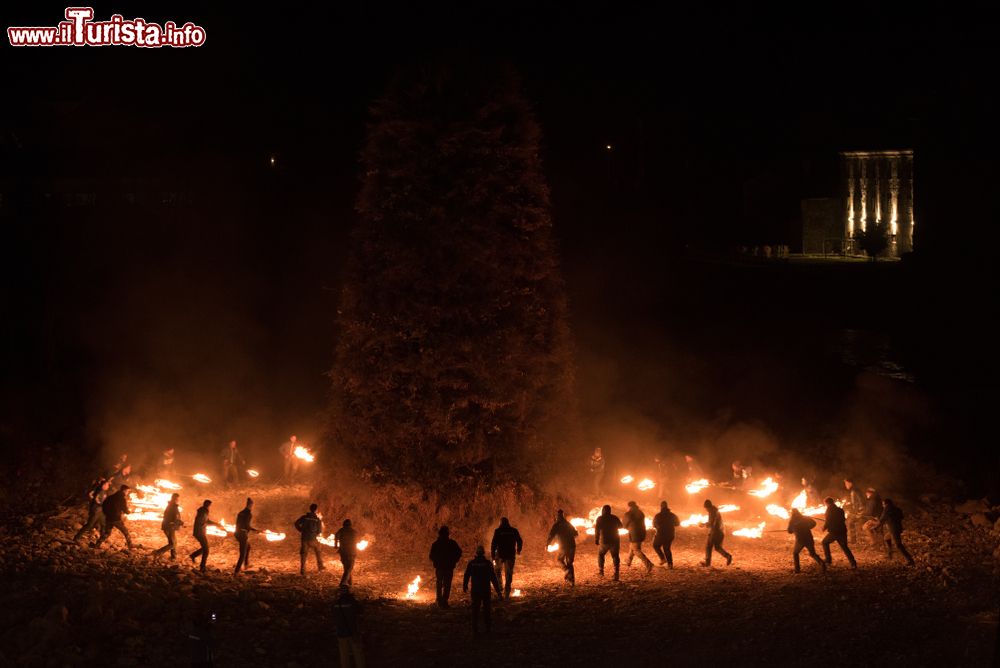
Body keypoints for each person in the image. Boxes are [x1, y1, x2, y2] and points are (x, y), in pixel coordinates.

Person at [463, 545, 502, 635]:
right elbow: (493, 578)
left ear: (476, 553)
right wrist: (498, 591)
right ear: (483, 553)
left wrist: (465, 585)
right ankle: (488, 629)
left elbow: (466, 575)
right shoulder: (488, 563)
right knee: (487, 610)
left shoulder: (472, 563)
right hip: (485, 590)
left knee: (475, 610)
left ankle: (475, 630)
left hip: (475, 590)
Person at [429, 526, 463, 607]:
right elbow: (459, 552)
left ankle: (439, 600)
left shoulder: (436, 544)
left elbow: (431, 556)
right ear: (448, 534)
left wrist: (436, 562)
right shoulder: (452, 543)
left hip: (440, 568)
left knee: (439, 584)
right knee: (447, 584)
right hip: (448, 568)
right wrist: (454, 561)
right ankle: (444, 601)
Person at [490, 517, 523, 599]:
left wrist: (493, 556)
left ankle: (500, 588)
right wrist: (518, 550)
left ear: (500, 523)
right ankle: (507, 592)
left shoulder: (498, 531)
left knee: (497, 571)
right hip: (510, 555)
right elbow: (520, 540)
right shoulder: (513, 530)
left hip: (500, 555)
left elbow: (493, 544)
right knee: (508, 574)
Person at [333, 585, 366, 667]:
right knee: (358, 654)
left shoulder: (336, 604)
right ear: (348, 591)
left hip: (341, 633)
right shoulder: (351, 602)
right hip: (353, 632)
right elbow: (360, 610)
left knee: (344, 655)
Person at [821, 497, 857, 569]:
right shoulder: (840, 510)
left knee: (824, 542)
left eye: (825, 503)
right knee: (845, 547)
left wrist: (824, 528)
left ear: (827, 503)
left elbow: (828, 521)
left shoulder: (829, 510)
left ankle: (828, 559)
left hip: (834, 532)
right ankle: (853, 563)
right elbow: (843, 519)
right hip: (842, 531)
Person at [94, 484, 133, 550]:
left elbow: (104, 505)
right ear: (124, 490)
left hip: (109, 518)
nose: (127, 493)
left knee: (107, 533)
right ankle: (130, 546)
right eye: (127, 491)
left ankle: (97, 545)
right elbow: (125, 509)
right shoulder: (122, 498)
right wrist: (129, 511)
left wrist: (106, 514)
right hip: (116, 519)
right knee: (125, 532)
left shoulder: (111, 497)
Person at [787, 508, 826, 573]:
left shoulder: (792, 521)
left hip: (800, 540)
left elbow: (789, 531)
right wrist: (808, 527)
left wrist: (793, 530)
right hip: (809, 538)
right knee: (812, 553)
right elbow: (813, 523)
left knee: (795, 553)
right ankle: (822, 563)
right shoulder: (804, 518)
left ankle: (797, 569)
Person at [877, 499, 915, 565]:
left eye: (883, 504)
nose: (882, 506)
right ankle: (890, 555)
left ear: (886, 504)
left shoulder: (887, 509)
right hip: (898, 527)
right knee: (886, 538)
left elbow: (881, 520)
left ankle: (909, 560)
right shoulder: (897, 509)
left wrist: (875, 527)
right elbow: (901, 517)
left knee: (898, 545)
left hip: (893, 529)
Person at [74, 475, 110, 543]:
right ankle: (77, 537)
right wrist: (101, 504)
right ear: (104, 485)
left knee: (103, 524)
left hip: (101, 510)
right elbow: (96, 499)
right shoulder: (99, 491)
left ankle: (101, 540)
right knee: (89, 525)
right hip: (96, 510)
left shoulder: (104, 491)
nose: (108, 486)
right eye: (107, 485)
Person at [546, 510, 578, 585]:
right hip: (572, 546)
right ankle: (571, 581)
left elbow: (551, 535)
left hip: (563, 546)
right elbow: (576, 534)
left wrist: (547, 544)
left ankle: (566, 570)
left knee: (559, 560)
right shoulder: (568, 524)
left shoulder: (556, 525)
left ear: (557, 517)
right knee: (570, 563)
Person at [189, 500, 221, 572]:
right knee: (206, 550)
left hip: (200, 532)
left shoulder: (204, 511)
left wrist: (216, 524)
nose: (210, 507)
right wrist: (213, 525)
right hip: (199, 532)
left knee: (205, 548)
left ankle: (193, 555)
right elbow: (203, 522)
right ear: (208, 505)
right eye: (210, 506)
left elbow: (207, 521)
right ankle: (202, 567)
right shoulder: (203, 512)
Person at [623, 501, 654, 573]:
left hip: (634, 534)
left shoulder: (629, 514)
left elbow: (624, 525)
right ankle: (628, 560)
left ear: (629, 506)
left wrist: (627, 527)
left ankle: (649, 564)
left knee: (636, 550)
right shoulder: (640, 512)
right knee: (632, 547)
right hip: (641, 532)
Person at [594, 504, 623, 580]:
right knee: (615, 556)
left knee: (601, 554)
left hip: (604, 540)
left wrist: (596, 539)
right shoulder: (614, 517)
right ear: (610, 510)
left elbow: (597, 530)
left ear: (603, 510)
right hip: (615, 540)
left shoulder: (600, 519)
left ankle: (601, 571)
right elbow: (621, 526)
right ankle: (616, 573)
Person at [294, 503, 325, 574]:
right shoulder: (317, 520)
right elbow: (319, 531)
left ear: (310, 509)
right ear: (316, 510)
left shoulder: (304, 517)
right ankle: (320, 567)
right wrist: (315, 534)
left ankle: (302, 570)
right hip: (313, 538)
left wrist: (300, 530)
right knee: (318, 551)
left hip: (304, 538)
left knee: (303, 554)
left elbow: (296, 523)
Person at [700, 499, 732, 567]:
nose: (706, 510)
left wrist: (703, 524)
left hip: (715, 532)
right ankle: (728, 556)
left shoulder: (712, 512)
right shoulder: (715, 511)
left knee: (708, 547)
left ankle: (707, 563)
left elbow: (711, 523)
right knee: (717, 547)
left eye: (706, 508)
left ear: (708, 507)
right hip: (720, 531)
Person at [233, 497, 260, 575]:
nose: (252, 506)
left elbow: (239, 524)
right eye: (252, 505)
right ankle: (237, 571)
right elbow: (247, 526)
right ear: (250, 505)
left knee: (248, 547)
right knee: (243, 553)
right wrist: (255, 530)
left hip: (237, 533)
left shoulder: (241, 512)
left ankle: (246, 564)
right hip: (242, 535)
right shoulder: (248, 514)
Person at [153, 493, 184, 560]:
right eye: (178, 499)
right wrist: (181, 523)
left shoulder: (170, 506)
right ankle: (158, 552)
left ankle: (173, 557)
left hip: (168, 526)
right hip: (169, 527)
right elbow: (175, 519)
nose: (179, 500)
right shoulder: (173, 507)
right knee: (172, 544)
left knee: (173, 542)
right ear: (175, 499)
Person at [652, 500, 680, 568]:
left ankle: (662, 558)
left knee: (655, 545)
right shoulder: (672, 515)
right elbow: (677, 523)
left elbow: (654, 524)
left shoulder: (658, 515)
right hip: (670, 534)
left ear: (661, 507)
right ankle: (670, 564)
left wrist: (657, 527)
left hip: (660, 534)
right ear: (667, 506)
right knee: (667, 548)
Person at [335, 519, 358, 587]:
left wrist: (336, 545)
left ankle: (350, 582)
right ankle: (343, 582)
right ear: (350, 525)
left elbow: (336, 536)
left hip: (343, 551)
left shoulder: (341, 530)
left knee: (346, 567)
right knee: (350, 567)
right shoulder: (354, 532)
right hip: (351, 552)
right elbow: (356, 541)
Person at [843, 478, 865, 544]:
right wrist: (849, 504)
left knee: (850, 522)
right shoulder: (854, 490)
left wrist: (859, 512)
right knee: (849, 522)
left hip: (859, 512)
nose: (845, 485)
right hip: (856, 511)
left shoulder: (855, 491)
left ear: (850, 483)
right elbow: (855, 502)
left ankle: (854, 540)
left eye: (846, 483)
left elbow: (861, 502)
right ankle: (854, 539)